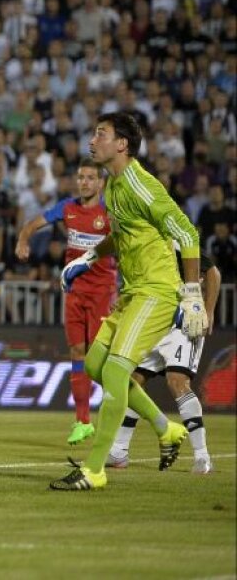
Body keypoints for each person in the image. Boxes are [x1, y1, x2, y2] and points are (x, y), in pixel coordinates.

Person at [50, 112, 204, 491]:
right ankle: (165, 428)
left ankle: (95, 469)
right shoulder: (115, 186)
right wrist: (87, 259)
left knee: (117, 372)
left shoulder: (140, 185)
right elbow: (120, 235)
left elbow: (187, 232)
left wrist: (193, 295)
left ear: (122, 144)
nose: (91, 140)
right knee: (94, 364)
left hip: (156, 289)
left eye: (99, 134)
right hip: (133, 290)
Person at [15, 160, 117, 445]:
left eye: (90, 178)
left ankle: (118, 425)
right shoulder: (67, 207)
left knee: (100, 361)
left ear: (101, 184)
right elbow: (32, 224)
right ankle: (82, 421)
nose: (84, 182)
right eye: (81, 177)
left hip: (101, 293)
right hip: (73, 292)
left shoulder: (109, 213)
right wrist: (23, 240)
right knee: (76, 351)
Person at [108, 252, 222, 474]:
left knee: (177, 381)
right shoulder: (135, 248)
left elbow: (212, 272)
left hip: (183, 315)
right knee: (133, 383)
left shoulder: (170, 241)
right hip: (154, 317)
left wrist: (209, 310)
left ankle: (202, 456)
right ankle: (118, 451)